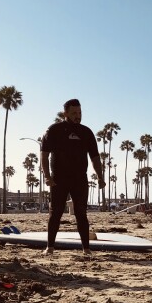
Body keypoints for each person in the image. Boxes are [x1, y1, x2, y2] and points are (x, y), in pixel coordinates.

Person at [40, 99, 105, 255]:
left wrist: (100, 177)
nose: (78, 116)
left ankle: (86, 249)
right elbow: (44, 155)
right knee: (56, 212)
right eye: (74, 113)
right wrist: (47, 176)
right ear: (66, 113)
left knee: (81, 213)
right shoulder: (54, 130)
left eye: (80, 113)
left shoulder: (86, 132)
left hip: (79, 179)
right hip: (58, 179)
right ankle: (49, 247)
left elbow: (95, 157)